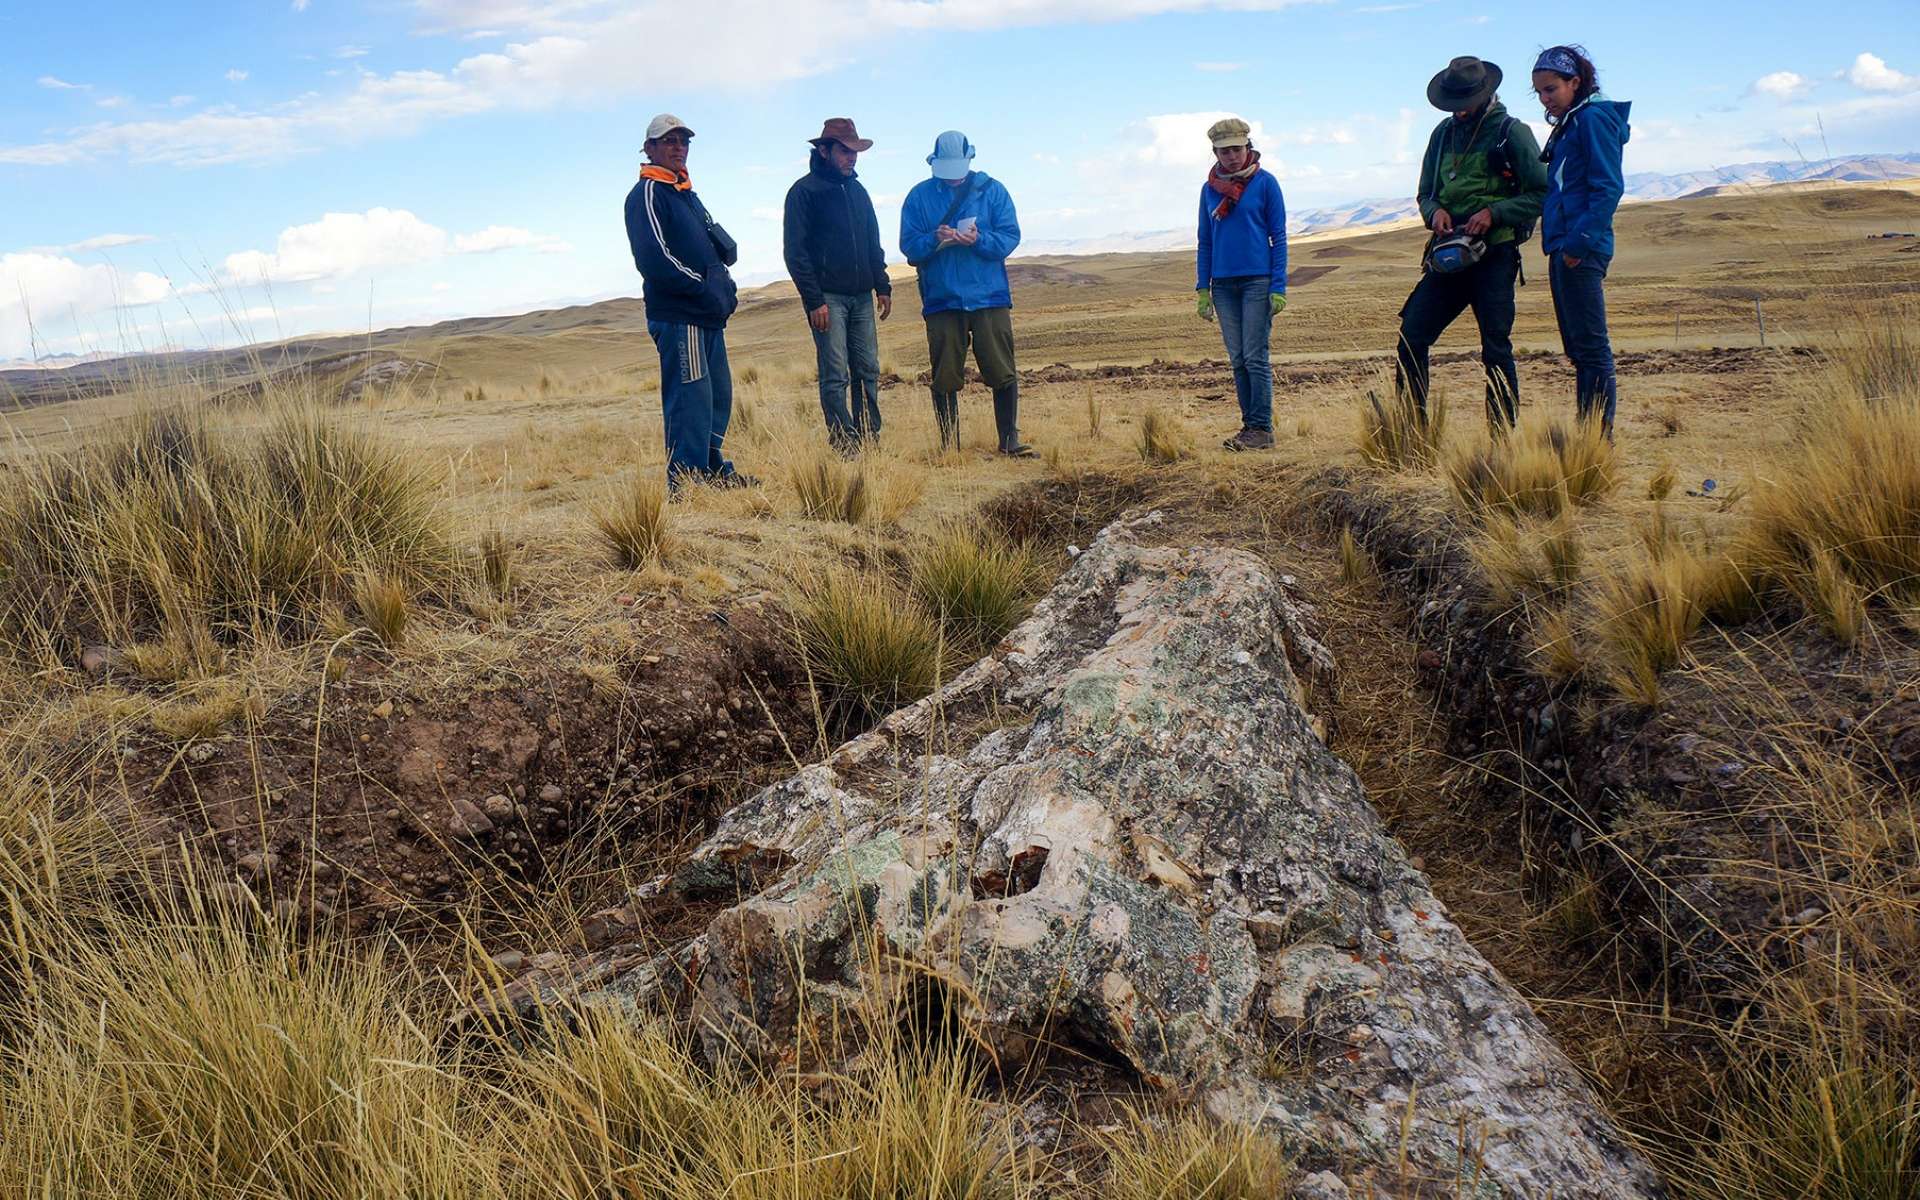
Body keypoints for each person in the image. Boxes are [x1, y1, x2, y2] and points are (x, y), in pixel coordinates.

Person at [1396, 56, 1548, 431]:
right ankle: (1410, 431)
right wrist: (1434, 214)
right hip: (1447, 254)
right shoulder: (1442, 134)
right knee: (1412, 334)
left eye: (1462, 103)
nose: (1457, 111)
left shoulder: (1511, 132)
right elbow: (1425, 194)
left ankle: (1501, 436)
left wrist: (1494, 213)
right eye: (1453, 104)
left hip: (1494, 254)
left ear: (1484, 94)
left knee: (1495, 346)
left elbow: (1542, 192)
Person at [623, 113, 755, 491]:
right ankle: (685, 482)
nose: (678, 148)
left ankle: (711, 471)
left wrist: (723, 288)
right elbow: (654, 260)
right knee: (689, 398)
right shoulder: (647, 194)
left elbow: (713, 251)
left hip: (706, 316)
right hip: (682, 317)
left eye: (683, 142)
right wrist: (703, 288)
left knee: (717, 397)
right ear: (650, 149)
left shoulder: (684, 192)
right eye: (669, 141)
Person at [899, 130, 1033, 457]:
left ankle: (1009, 440)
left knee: (1002, 369)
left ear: (969, 159)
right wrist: (934, 238)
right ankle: (950, 447)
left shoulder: (993, 191)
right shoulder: (918, 197)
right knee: (945, 375)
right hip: (943, 300)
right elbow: (909, 247)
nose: (954, 179)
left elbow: (1010, 236)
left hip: (989, 297)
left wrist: (980, 239)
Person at [1533, 45, 1631, 437]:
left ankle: (1597, 441)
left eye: (1551, 89)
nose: (1545, 98)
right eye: (1539, 92)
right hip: (1563, 245)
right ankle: (1588, 434)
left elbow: (1607, 187)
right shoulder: (1573, 121)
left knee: (1591, 349)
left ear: (1576, 82)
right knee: (1579, 350)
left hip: (1579, 249)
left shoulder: (1592, 119)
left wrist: (1578, 244)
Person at [783, 117, 893, 454]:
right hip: (827, 299)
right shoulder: (803, 192)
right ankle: (844, 443)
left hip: (861, 296)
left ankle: (868, 436)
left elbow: (872, 241)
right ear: (824, 150)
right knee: (835, 374)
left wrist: (883, 285)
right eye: (845, 150)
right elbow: (795, 252)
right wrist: (814, 300)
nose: (852, 157)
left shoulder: (858, 191)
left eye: (855, 150)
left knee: (868, 369)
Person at [1195, 117, 1288, 451]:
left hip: (1257, 281)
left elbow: (1278, 236)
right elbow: (1205, 241)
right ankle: (1250, 427)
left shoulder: (1265, 183)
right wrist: (1202, 289)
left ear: (1248, 147)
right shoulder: (1208, 190)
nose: (1231, 156)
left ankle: (1261, 429)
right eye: (1224, 151)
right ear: (1215, 153)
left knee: (1255, 356)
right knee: (1237, 358)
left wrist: (1279, 286)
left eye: (1237, 149)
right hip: (1222, 285)